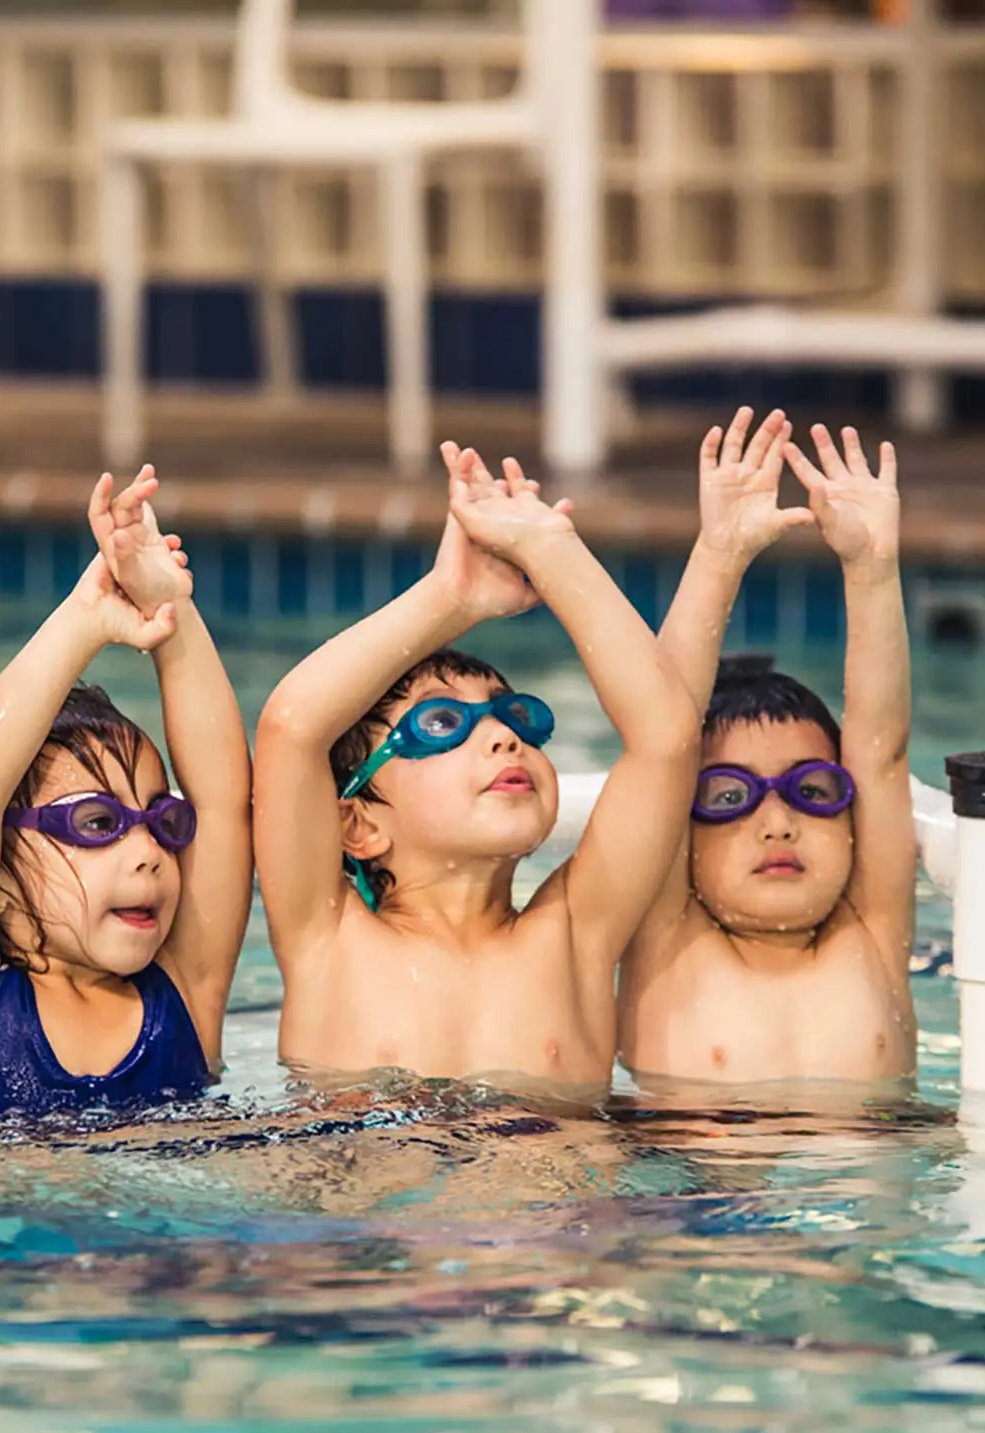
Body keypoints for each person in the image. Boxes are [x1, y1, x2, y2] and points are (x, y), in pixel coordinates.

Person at [253, 444, 700, 1100]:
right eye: (441, 724)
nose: (499, 736)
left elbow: (665, 735)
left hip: (566, 1204)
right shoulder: (329, 937)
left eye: (514, 718)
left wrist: (555, 551)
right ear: (358, 824)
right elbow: (291, 729)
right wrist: (450, 598)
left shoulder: (573, 936)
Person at [0, 467, 251, 1121]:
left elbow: (224, 796)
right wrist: (82, 621)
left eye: (161, 821)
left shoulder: (186, 989)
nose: (148, 851)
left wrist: (173, 609)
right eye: (98, 822)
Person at [619, 407, 918, 1095]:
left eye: (813, 790)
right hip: (692, 1198)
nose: (777, 821)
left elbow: (880, 751)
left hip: (862, 1199)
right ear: (680, 832)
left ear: (851, 821)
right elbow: (660, 740)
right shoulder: (668, 938)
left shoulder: (870, 931)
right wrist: (718, 555)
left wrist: (872, 569)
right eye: (728, 797)